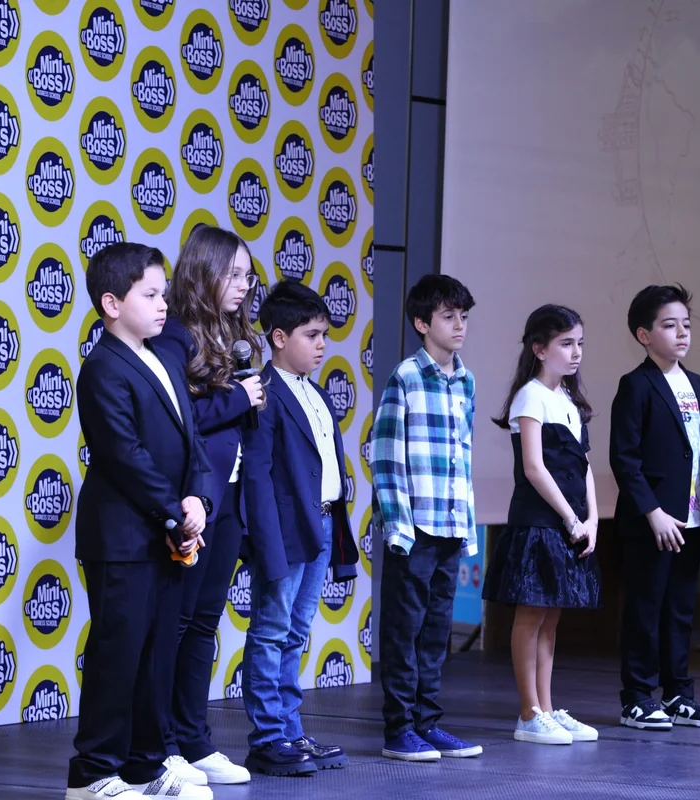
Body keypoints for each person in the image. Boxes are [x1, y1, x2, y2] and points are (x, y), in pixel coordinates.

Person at [67, 243, 213, 800]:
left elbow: (194, 443)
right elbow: (124, 456)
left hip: (166, 536)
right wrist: (177, 512)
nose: (162, 305)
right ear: (111, 304)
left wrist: (199, 499)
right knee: (118, 655)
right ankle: (92, 774)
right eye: (149, 295)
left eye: (163, 294)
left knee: (156, 657)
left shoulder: (166, 359)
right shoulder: (103, 367)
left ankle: (146, 766)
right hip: (123, 539)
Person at [609, 284, 700, 731]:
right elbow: (624, 459)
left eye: (686, 325)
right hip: (653, 523)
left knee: (679, 613)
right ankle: (637, 698)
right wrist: (652, 512)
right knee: (645, 610)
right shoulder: (636, 386)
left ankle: (677, 696)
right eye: (670, 325)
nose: (682, 333)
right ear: (644, 335)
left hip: (693, 520)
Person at [150, 224, 261, 786]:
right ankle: (161, 745)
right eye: (232, 274)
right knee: (175, 623)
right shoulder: (175, 334)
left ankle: (194, 740)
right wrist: (238, 399)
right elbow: (177, 418)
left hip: (229, 497)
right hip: (192, 499)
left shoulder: (233, 335)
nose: (242, 285)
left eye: (247, 276)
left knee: (204, 623)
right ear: (203, 271)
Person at [240, 280, 358, 775]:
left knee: (294, 633)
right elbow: (257, 476)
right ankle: (268, 738)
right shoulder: (263, 394)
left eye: (324, 335)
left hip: (321, 526)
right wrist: (266, 545)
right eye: (312, 335)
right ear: (279, 337)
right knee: (270, 632)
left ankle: (290, 731)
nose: (322, 345)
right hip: (283, 534)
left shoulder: (317, 394)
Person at [373, 274, 483, 762]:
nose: (459, 325)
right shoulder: (406, 377)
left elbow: (462, 455)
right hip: (414, 527)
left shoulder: (467, 380)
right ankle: (399, 729)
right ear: (422, 323)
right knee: (405, 629)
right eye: (448, 316)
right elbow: (386, 456)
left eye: (464, 316)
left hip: (451, 523)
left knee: (437, 630)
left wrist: (467, 524)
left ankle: (427, 723)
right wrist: (399, 525)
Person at [484, 304, 602, 745]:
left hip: (570, 526)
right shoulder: (530, 396)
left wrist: (592, 519)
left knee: (551, 618)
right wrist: (571, 519)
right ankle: (528, 712)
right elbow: (534, 467)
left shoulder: (569, 400)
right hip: (539, 523)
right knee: (531, 615)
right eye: (566, 344)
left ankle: (547, 709)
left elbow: (584, 467)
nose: (576, 353)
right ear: (539, 349)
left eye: (580, 344)